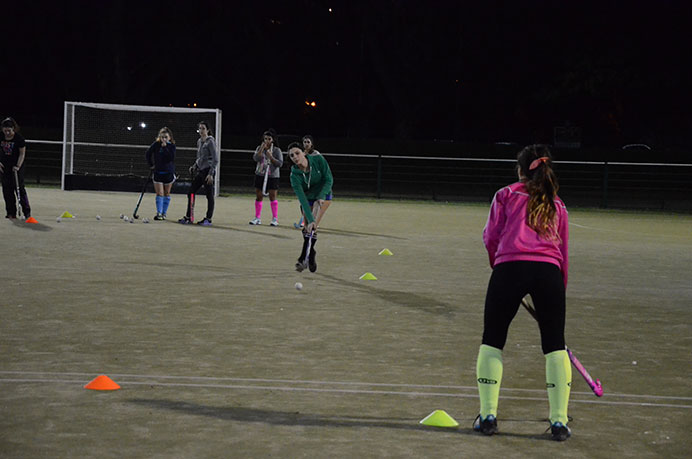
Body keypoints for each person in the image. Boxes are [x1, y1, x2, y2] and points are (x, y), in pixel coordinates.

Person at [474, 144, 571, 441]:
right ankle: (559, 422)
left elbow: (491, 237)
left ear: (519, 170)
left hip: (510, 270)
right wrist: (555, 293)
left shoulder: (505, 195)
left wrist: (499, 266)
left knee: (493, 340)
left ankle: (488, 416)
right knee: (555, 347)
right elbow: (563, 254)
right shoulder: (558, 204)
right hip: (549, 275)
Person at [288, 142, 333, 272]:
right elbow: (302, 199)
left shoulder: (318, 160)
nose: (295, 157)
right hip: (308, 197)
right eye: (292, 156)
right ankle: (311, 254)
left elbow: (329, 179)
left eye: (297, 153)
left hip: (324, 194)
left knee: (313, 224)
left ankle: (303, 258)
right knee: (307, 226)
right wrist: (309, 219)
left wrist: (322, 196)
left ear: (304, 153)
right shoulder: (294, 176)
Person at [178, 121, 218, 226]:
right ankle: (189, 216)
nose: (201, 131)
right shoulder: (199, 141)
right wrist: (194, 166)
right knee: (191, 192)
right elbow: (199, 157)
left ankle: (208, 218)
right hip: (201, 171)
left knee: (209, 195)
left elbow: (215, 159)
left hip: (208, 171)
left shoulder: (210, 142)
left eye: (203, 128)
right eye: (200, 128)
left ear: (208, 130)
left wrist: (211, 173)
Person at [294, 135, 332, 228]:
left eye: (308, 142)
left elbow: (327, 177)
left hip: (318, 188)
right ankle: (305, 221)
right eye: (305, 142)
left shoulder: (317, 155)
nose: (306, 144)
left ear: (312, 144)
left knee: (316, 207)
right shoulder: (301, 155)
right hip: (309, 188)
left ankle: (312, 223)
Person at [249, 129, 283, 226]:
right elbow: (256, 158)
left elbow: (279, 163)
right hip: (260, 174)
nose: (267, 141)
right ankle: (257, 217)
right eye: (265, 139)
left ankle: (274, 218)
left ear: (272, 140)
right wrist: (261, 150)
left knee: (272, 196)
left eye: (269, 139)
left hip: (272, 176)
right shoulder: (259, 148)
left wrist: (271, 157)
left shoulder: (277, 150)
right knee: (258, 196)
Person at [0, 117, 31, 220]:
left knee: (19, 189)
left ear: (13, 129)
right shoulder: (0, 137)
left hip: (17, 166)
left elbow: (22, 154)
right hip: (4, 167)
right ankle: (11, 213)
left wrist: (18, 166)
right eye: (5, 131)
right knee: (7, 190)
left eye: (9, 130)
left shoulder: (19, 139)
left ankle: (27, 212)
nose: (7, 133)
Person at [145, 127, 176, 220]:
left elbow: (170, 158)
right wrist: (151, 165)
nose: (164, 139)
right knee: (159, 193)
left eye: (166, 137)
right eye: (162, 137)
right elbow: (148, 153)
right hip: (158, 172)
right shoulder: (156, 145)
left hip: (168, 173)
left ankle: (164, 213)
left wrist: (165, 147)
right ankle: (158, 213)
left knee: (166, 193)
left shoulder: (172, 146)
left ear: (169, 137)